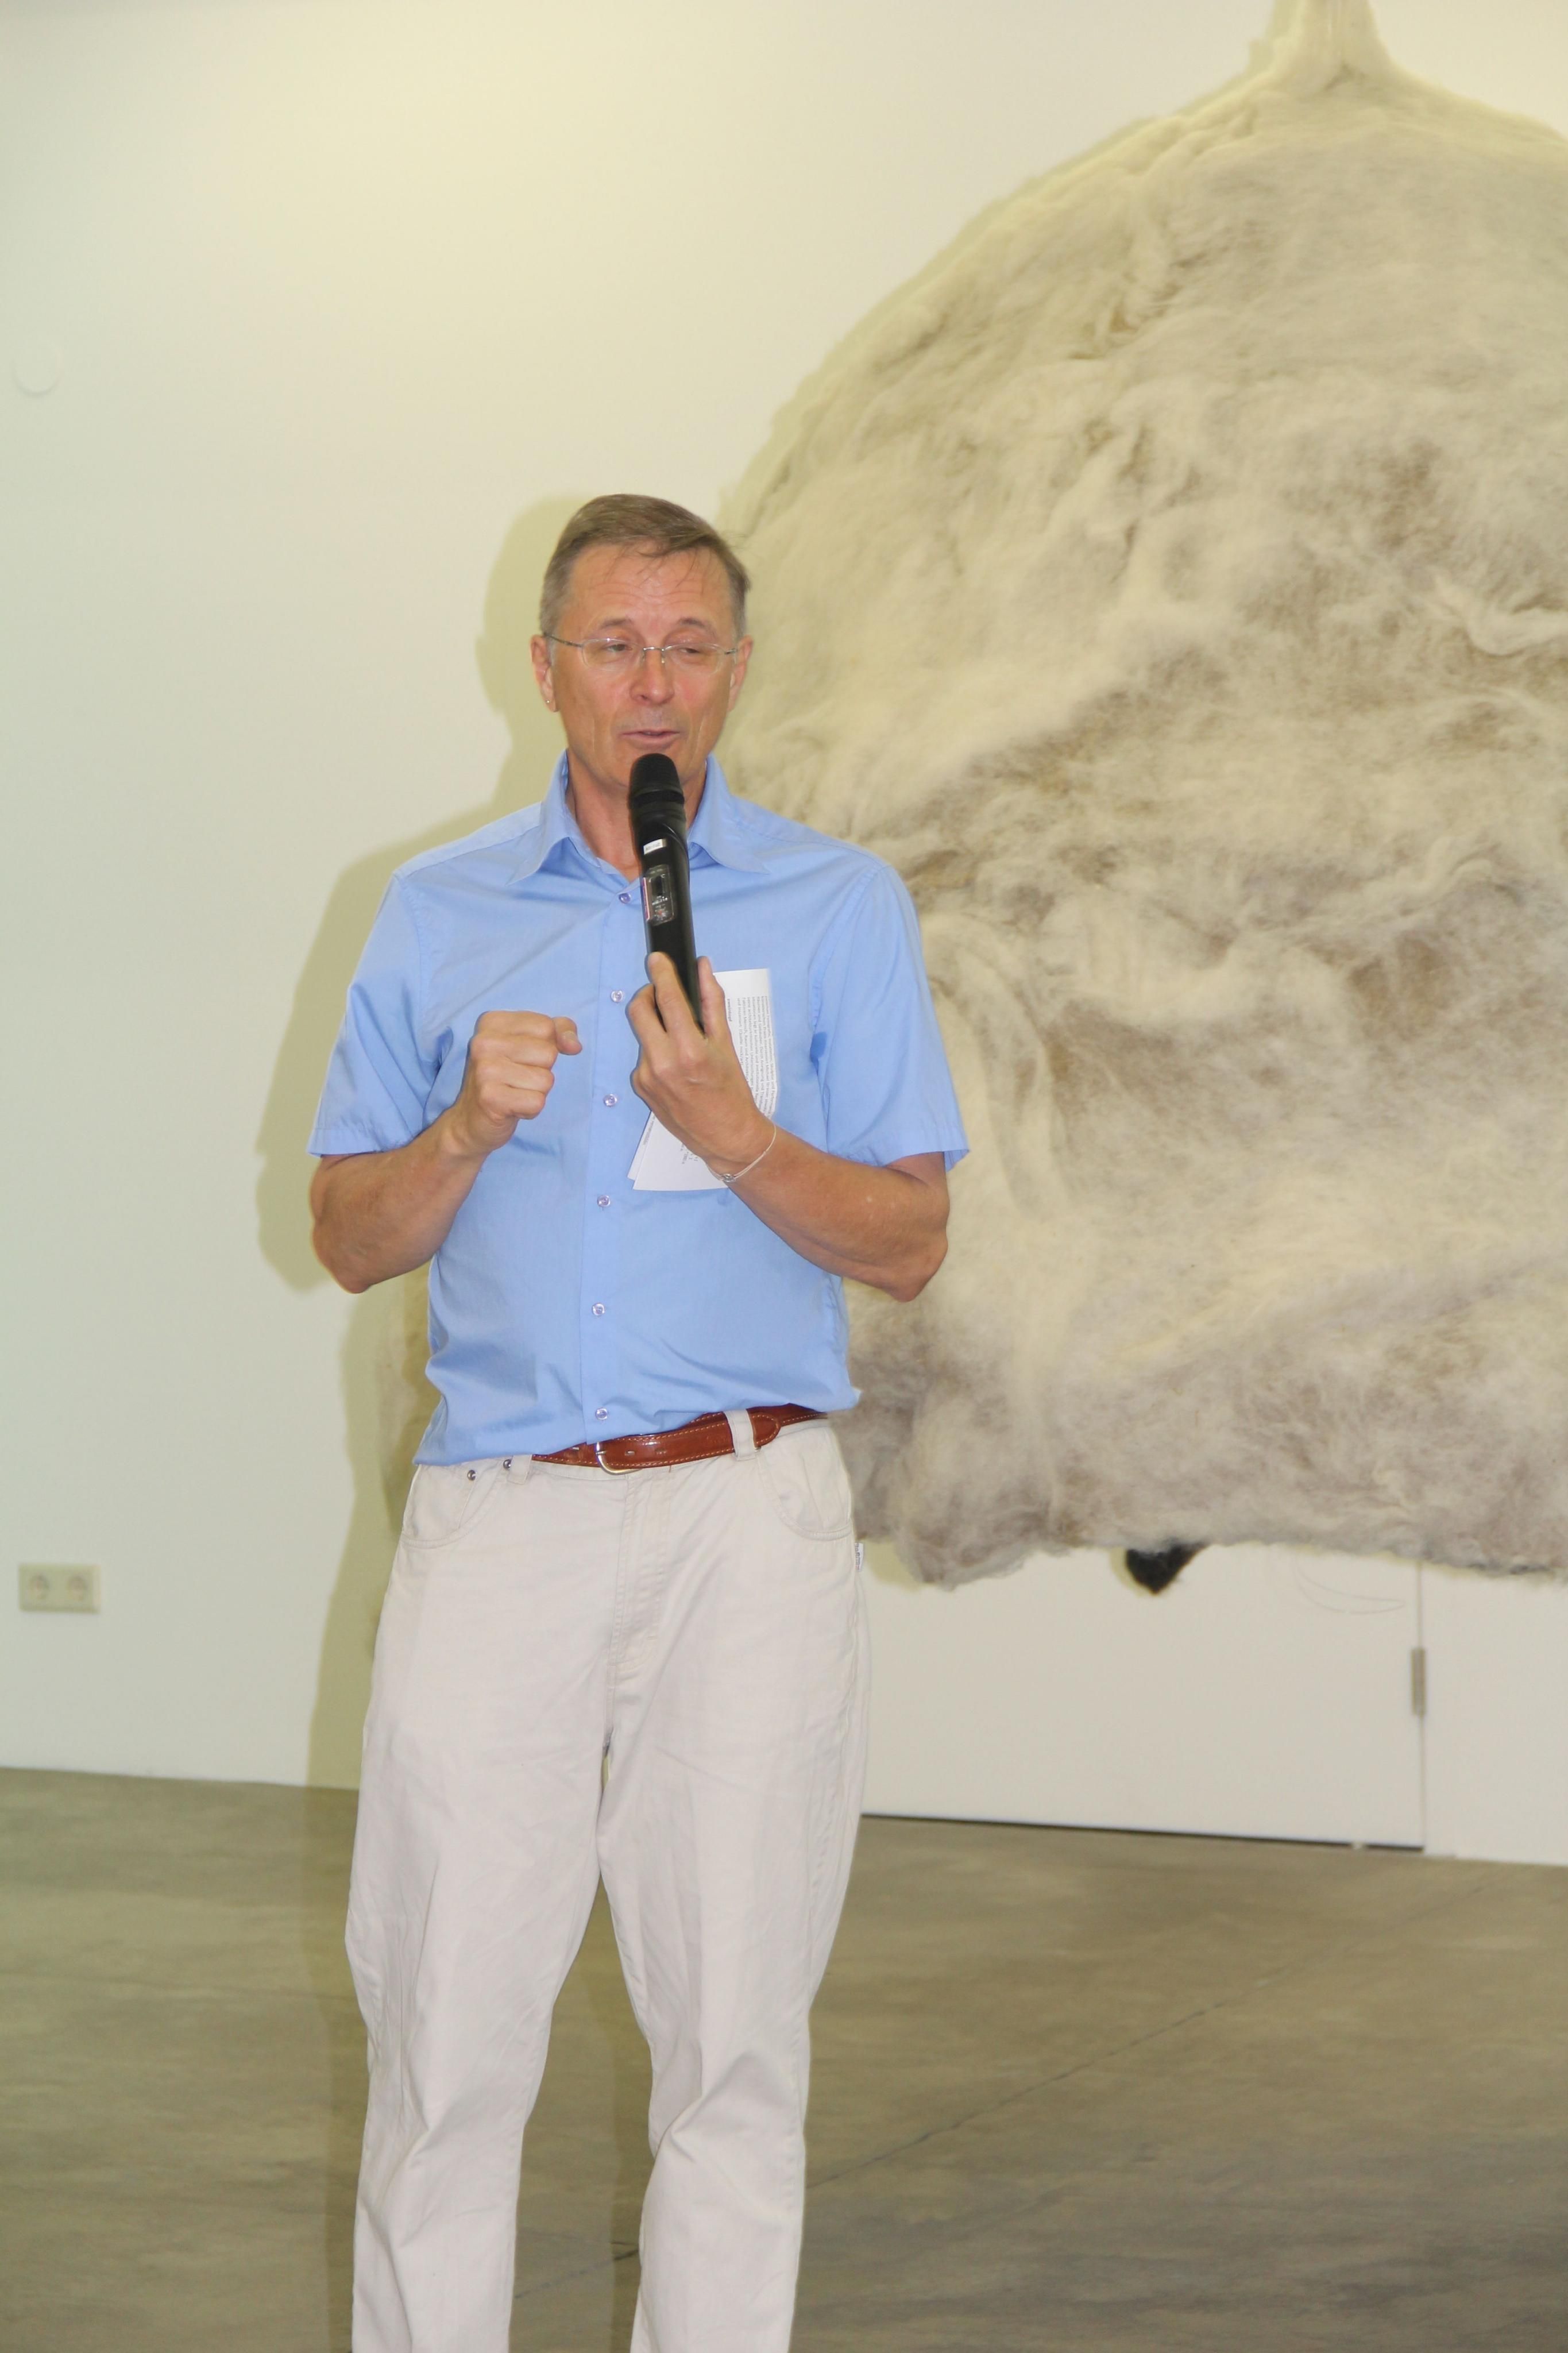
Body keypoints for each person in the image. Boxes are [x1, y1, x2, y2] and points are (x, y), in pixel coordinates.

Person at [309, 493, 967, 2353]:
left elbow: (909, 1239)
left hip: (748, 1519)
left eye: (688, 647)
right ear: (545, 672)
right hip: (506, 1515)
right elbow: (346, 1238)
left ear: (736, 671)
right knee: (444, 2033)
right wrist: (460, 1128)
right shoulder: (436, 912)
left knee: (735, 2043)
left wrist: (742, 1136)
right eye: (616, 646)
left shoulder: (839, 905)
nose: (653, 683)